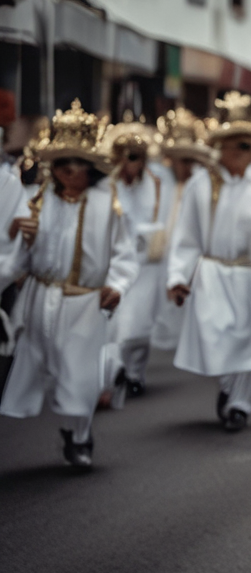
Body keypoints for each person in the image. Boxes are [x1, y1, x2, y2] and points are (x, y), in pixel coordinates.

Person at [0, 100, 137, 467]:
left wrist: (117, 284)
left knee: (80, 375)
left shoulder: (108, 205)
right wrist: (17, 238)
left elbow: (125, 254)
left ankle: (79, 437)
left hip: (84, 302)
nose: (70, 172)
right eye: (63, 164)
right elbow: (17, 259)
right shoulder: (37, 201)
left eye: (78, 164)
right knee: (48, 368)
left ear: (91, 168)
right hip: (40, 298)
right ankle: (70, 426)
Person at [167, 92, 251, 432]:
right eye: (238, 145)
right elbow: (186, 237)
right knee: (217, 337)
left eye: (249, 145)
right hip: (212, 275)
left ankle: (239, 406)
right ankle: (228, 388)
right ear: (222, 147)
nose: (245, 151)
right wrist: (178, 277)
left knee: (250, 341)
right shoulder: (200, 185)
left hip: (250, 276)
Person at [104, 119, 170, 398]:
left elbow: (165, 220)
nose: (134, 163)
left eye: (139, 157)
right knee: (116, 322)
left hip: (146, 264)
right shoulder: (107, 186)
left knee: (139, 324)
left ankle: (135, 374)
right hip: (116, 263)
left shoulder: (157, 182)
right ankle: (116, 371)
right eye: (129, 156)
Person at [149, 108, 211, 355]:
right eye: (182, 160)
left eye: (190, 160)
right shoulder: (160, 182)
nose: (187, 166)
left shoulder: (201, 185)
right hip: (161, 252)